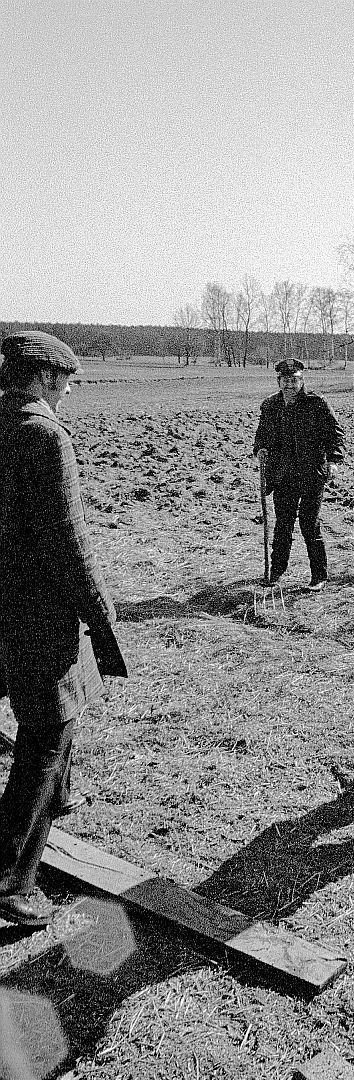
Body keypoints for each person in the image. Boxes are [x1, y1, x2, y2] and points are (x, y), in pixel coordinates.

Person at [0, 331, 127, 926]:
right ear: (48, 379)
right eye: (67, 385)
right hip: (34, 611)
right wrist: (103, 622)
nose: (67, 395)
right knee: (49, 724)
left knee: (57, 714)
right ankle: (11, 879)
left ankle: (61, 795)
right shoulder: (44, 436)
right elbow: (69, 545)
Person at [253, 358, 345, 591]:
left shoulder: (317, 404)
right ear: (278, 381)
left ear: (302, 381)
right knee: (283, 525)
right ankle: (276, 572)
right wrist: (260, 449)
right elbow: (261, 436)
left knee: (309, 524)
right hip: (283, 476)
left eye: (294, 381)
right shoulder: (270, 406)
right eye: (285, 381)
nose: (290, 385)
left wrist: (333, 461)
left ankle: (319, 576)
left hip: (312, 474)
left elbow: (335, 435)